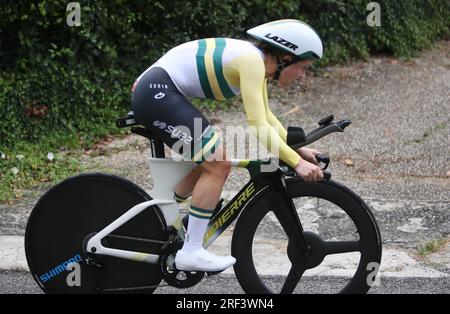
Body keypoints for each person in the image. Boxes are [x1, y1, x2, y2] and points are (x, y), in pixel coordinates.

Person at [131, 19, 324, 272]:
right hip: (157, 93)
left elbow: (267, 118)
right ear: (286, 58)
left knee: (211, 160)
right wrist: (296, 163)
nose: (303, 75)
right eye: (304, 67)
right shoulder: (252, 62)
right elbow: (257, 125)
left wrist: (298, 150)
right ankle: (191, 251)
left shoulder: (258, 65)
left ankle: (167, 213)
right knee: (218, 163)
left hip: (158, 90)